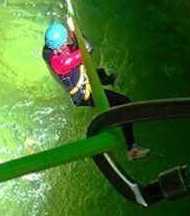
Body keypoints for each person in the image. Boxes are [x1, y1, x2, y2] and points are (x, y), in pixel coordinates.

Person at [43, 20, 151, 161]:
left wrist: (73, 36)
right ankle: (132, 148)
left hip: (80, 76)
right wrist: (74, 30)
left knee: (101, 74)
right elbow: (88, 48)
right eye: (64, 44)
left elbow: (76, 50)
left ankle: (112, 81)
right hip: (84, 94)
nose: (65, 46)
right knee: (125, 104)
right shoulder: (61, 64)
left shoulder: (48, 51)